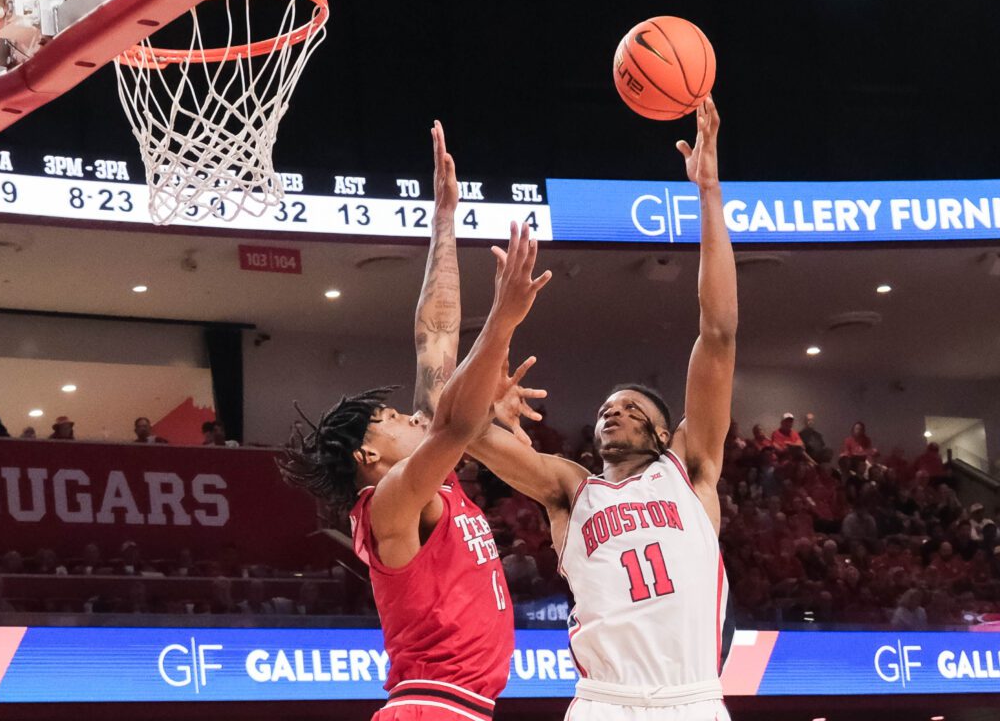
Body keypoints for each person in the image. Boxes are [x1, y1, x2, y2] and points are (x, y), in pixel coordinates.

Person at [469, 99, 734, 721]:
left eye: (631, 407)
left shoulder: (691, 469)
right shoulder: (570, 489)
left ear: (664, 430)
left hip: (691, 698)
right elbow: (464, 430)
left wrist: (709, 194)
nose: (611, 414)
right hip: (603, 703)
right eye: (605, 409)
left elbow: (719, 332)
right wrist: (489, 380)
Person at [279, 123, 551, 721]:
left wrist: (444, 220)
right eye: (392, 419)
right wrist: (502, 320)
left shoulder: (434, 483)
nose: (409, 415)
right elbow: (453, 426)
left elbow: (435, 337)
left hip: (457, 708)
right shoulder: (390, 502)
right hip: (432, 709)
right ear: (367, 457)